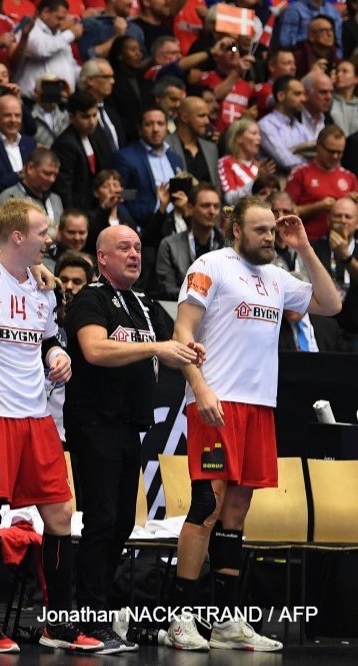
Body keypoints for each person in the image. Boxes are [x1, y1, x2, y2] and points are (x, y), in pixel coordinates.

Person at [165, 198, 342, 651]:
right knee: (207, 504)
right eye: (260, 230)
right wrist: (199, 387)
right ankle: (180, 618)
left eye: (273, 230)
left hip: (260, 405)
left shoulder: (279, 277)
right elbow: (182, 332)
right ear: (235, 229)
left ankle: (225, 621)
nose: (269, 237)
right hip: (216, 401)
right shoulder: (211, 265)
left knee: (237, 513)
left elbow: (331, 303)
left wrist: (302, 245)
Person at [0, 199, 100, 653]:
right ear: (17, 236)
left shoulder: (44, 288)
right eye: (42, 231)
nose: (50, 238)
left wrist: (57, 355)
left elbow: (46, 340)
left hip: (36, 416)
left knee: (59, 515)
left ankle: (57, 624)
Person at [65, 224, 203, 654]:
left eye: (138, 247)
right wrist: (157, 349)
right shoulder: (91, 297)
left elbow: (173, 341)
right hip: (93, 423)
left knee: (123, 522)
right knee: (102, 520)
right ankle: (86, 619)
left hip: (129, 426)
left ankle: (98, 615)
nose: (134, 254)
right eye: (123, 247)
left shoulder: (143, 304)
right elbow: (94, 350)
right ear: (102, 257)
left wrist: (190, 349)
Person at [286, 125, 358, 240]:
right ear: (318, 145)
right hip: (307, 241)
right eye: (331, 151)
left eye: (339, 152)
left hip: (340, 243)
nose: (335, 156)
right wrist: (318, 206)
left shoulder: (350, 177)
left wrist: (351, 204)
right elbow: (285, 213)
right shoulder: (301, 173)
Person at [155, 184, 224, 299]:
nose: (212, 211)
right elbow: (167, 290)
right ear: (190, 208)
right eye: (205, 206)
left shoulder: (227, 245)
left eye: (216, 206)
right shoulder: (169, 245)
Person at [52, 90, 113, 212]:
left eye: (94, 115)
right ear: (72, 117)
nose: (92, 121)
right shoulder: (65, 144)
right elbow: (65, 187)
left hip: (95, 206)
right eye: (85, 117)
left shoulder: (95, 135)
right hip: (78, 210)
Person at [217, 118, 277, 205]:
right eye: (254, 133)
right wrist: (257, 179)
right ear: (238, 138)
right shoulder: (226, 163)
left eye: (259, 134)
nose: (259, 138)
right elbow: (230, 199)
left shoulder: (260, 166)